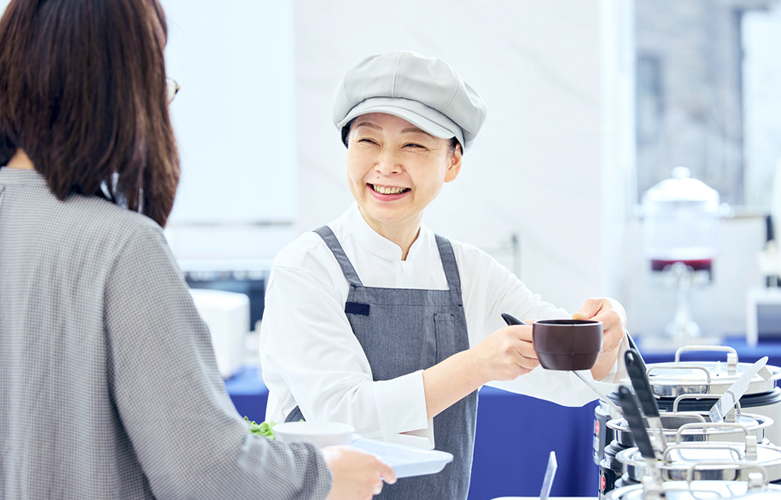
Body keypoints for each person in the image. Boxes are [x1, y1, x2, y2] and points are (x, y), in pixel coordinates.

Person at [0, 1, 395, 498]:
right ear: (117, 89)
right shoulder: (122, 247)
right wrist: (322, 475)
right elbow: (208, 470)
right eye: (157, 84)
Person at [259, 51, 630, 500]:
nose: (386, 165)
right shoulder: (305, 267)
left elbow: (571, 383)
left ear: (452, 162)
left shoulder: (469, 272)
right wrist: (475, 366)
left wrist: (604, 341)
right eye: (368, 141)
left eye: (413, 145)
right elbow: (343, 413)